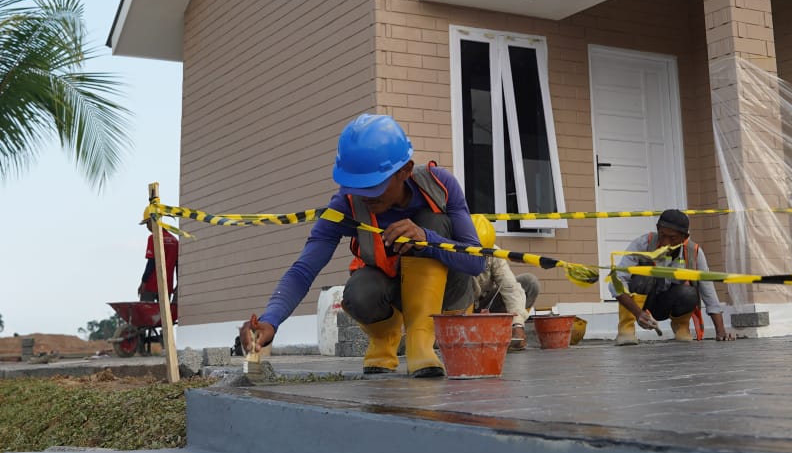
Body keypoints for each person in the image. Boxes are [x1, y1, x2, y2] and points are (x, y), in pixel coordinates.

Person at [238, 114, 485, 377]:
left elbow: (476, 261)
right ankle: (384, 340)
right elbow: (303, 270)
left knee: (432, 221)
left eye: (371, 186)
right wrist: (270, 320)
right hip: (392, 291)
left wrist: (427, 240)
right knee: (359, 293)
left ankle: (420, 343)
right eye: (354, 185)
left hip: (447, 293)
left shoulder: (439, 185)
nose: (362, 196)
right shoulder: (346, 204)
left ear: (405, 170)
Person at [613, 209, 736, 344]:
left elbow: (708, 291)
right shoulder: (642, 244)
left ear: (684, 237)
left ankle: (681, 327)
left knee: (689, 292)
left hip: (667, 304)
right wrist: (638, 313)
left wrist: (720, 331)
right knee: (642, 277)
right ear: (658, 229)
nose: (666, 243)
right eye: (662, 235)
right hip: (642, 304)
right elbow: (616, 281)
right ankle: (626, 329)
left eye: (672, 238)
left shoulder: (694, 252)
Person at [469, 214, 541, 351]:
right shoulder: (452, 249)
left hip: (485, 306)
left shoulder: (493, 251)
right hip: (460, 309)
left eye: (484, 253)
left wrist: (518, 325)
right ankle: (470, 334)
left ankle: (507, 333)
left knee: (529, 283)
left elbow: (510, 287)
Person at [138, 223, 179, 303]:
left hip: (151, 285)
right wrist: (178, 283)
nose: (147, 227)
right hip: (167, 286)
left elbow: (151, 262)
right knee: (164, 313)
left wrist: (143, 281)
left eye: (147, 224)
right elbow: (178, 264)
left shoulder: (154, 238)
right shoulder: (175, 240)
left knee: (147, 312)